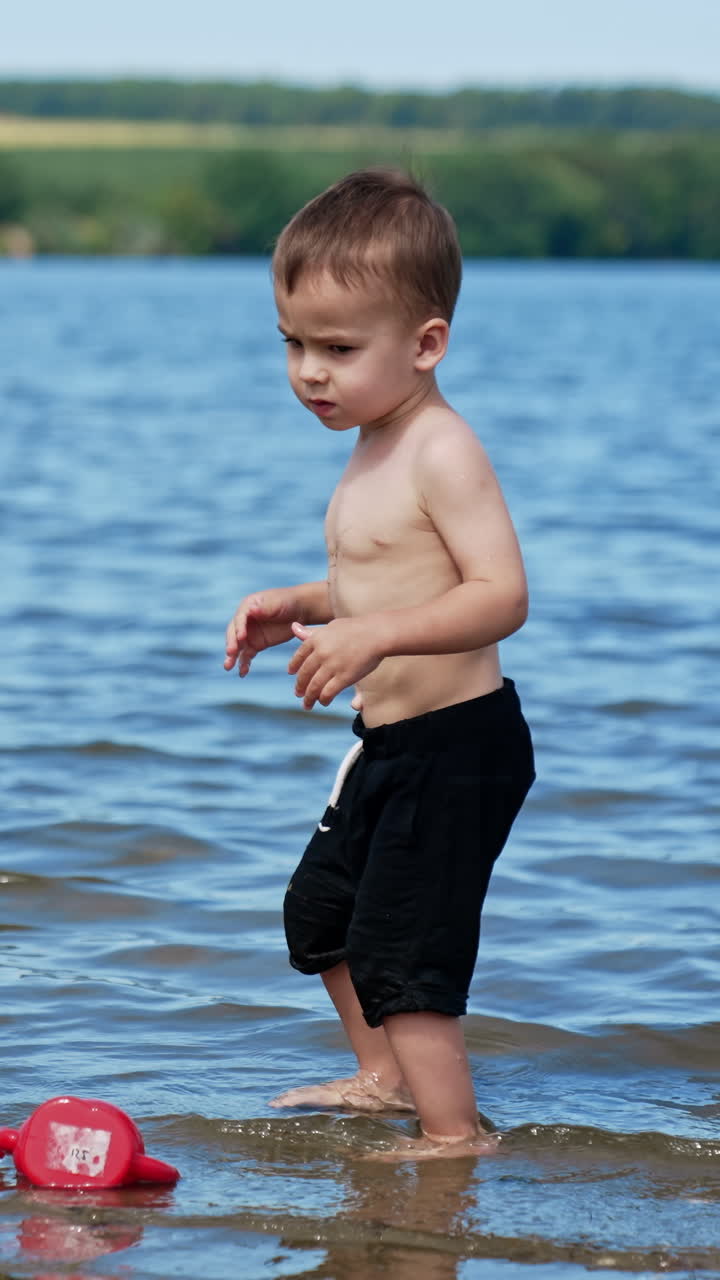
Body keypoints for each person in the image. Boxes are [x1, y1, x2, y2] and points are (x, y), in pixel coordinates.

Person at [224, 169, 535, 1158]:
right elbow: (385, 571)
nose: (309, 370)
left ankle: (454, 1134)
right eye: (294, 343)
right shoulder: (370, 441)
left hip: (456, 746)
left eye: (338, 348)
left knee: (409, 949)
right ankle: (382, 1077)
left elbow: (499, 594)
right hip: (387, 741)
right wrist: (304, 605)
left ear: (426, 343)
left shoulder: (441, 448)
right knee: (321, 910)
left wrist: (373, 634)